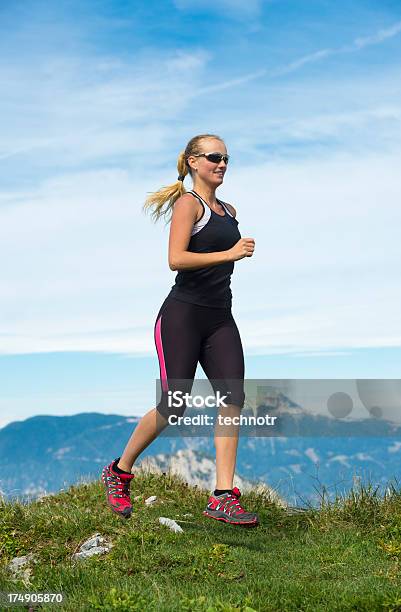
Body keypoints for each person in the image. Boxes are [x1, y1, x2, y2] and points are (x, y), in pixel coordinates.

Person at [101, 133, 258, 526]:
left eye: (226, 158)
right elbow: (175, 258)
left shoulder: (229, 210)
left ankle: (222, 495)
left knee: (232, 397)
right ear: (192, 162)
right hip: (182, 317)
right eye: (214, 157)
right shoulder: (189, 204)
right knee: (175, 403)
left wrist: (230, 253)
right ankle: (119, 472)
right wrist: (231, 252)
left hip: (220, 317)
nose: (221, 164)